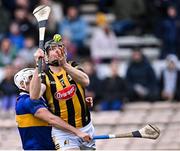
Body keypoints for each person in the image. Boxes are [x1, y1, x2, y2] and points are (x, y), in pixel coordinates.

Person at [30, 34, 96, 150]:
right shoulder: (45, 77)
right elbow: (34, 96)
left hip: (86, 127)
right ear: (46, 56)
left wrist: (64, 65)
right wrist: (37, 66)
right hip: (63, 132)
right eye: (52, 49)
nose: (57, 51)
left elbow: (85, 81)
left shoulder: (72, 65)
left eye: (59, 47)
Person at [14, 68, 93, 150]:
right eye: (31, 78)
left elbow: (56, 107)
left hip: (47, 146)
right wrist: (78, 132)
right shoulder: (28, 101)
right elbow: (52, 119)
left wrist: (81, 103)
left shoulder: (38, 99)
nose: (37, 80)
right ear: (22, 85)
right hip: (38, 148)